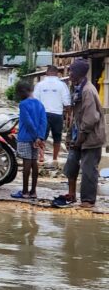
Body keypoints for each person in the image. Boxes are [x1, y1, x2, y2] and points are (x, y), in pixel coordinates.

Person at [53, 58, 105, 209]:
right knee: (71, 165)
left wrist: (80, 138)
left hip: (91, 137)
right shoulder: (77, 88)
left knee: (89, 170)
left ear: (79, 73)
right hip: (78, 135)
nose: (69, 74)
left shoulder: (88, 90)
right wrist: (71, 136)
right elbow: (76, 116)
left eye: (71, 71)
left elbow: (91, 118)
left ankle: (88, 201)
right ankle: (71, 194)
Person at [13, 80, 46, 200]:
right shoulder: (40, 104)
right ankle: (33, 191)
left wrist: (34, 136)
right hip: (37, 138)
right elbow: (43, 122)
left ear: (21, 92)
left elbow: (27, 122)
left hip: (26, 137)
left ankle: (25, 191)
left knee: (27, 163)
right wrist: (40, 137)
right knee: (34, 162)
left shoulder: (23, 104)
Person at [34, 64, 72, 165]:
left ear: (47, 73)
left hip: (43, 114)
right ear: (57, 73)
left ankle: (41, 157)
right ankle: (55, 158)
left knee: (42, 136)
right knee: (57, 137)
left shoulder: (40, 85)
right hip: (57, 114)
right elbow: (67, 103)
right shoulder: (62, 85)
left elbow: (35, 101)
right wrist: (69, 116)